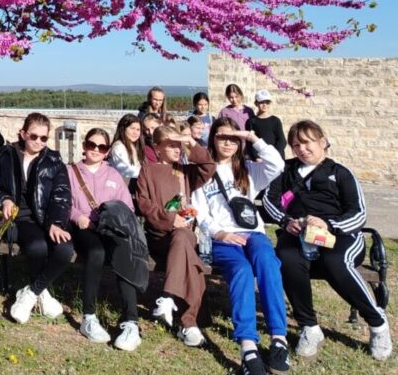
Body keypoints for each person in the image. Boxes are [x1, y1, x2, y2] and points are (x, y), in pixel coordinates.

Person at [262, 120, 392, 361]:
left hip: (340, 235)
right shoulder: (285, 170)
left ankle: (377, 322)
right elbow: (270, 200)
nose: (301, 149)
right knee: (287, 258)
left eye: (307, 142)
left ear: (322, 142)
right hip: (298, 234)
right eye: (296, 145)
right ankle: (309, 327)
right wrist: (286, 221)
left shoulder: (340, 173)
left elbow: (358, 213)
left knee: (335, 260)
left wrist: (329, 224)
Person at [191, 117, 288, 375]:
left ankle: (279, 338)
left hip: (253, 234)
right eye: (222, 137)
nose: (228, 143)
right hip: (224, 238)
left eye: (233, 138)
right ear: (212, 138)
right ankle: (248, 347)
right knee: (242, 271)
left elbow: (277, 164)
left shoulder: (248, 169)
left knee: (268, 263)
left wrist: (252, 138)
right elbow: (200, 212)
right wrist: (219, 233)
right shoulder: (204, 172)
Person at [0, 112, 74, 325]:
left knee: (65, 250)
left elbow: (62, 195)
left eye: (44, 138)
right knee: (37, 247)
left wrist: (56, 223)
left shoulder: (53, 160)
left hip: (48, 217)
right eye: (34, 136)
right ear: (23, 134)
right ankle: (42, 295)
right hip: (22, 218)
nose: (38, 142)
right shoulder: (8, 157)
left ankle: (30, 293)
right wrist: (5, 200)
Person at [136, 124, 215, 347]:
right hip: (160, 236)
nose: (177, 149)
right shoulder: (148, 170)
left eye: (178, 145)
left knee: (182, 236)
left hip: (185, 234)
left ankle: (168, 297)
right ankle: (188, 323)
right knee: (193, 264)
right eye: (171, 145)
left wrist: (190, 142)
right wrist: (170, 219)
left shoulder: (185, 171)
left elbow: (209, 166)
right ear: (157, 148)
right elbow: (144, 203)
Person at [68, 128, 145, 350]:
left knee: (124, 253)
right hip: (84, 227)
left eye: (101, 147)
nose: (95, 150)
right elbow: (63, 202)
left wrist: (116, 221)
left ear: (107, 151)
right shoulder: (70, 172)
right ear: (84, 145)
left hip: (109, 229)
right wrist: (78, 216)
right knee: (96, 253)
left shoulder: (113, 175)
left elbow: (127, 206)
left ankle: (131, 321)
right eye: (91, 145)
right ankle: (89, 316)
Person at [109, 113, 146, 189]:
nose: (135, 132)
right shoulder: (118, 147)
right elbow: (128, 171)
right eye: (132, 128)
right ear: (123, 128)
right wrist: (148, 174)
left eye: (138, 130)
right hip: (122, 187)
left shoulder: (133, 146)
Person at [247, 90, 286, 160]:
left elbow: (282, 140)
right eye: (261, 102)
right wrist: (256, 157)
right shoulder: (251, 121)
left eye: (267, 102)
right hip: (260, 158)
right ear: (256, 103)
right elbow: (250, 142)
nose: (264, 105)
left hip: (276, 157)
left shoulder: (275, 120)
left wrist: (275, 154)